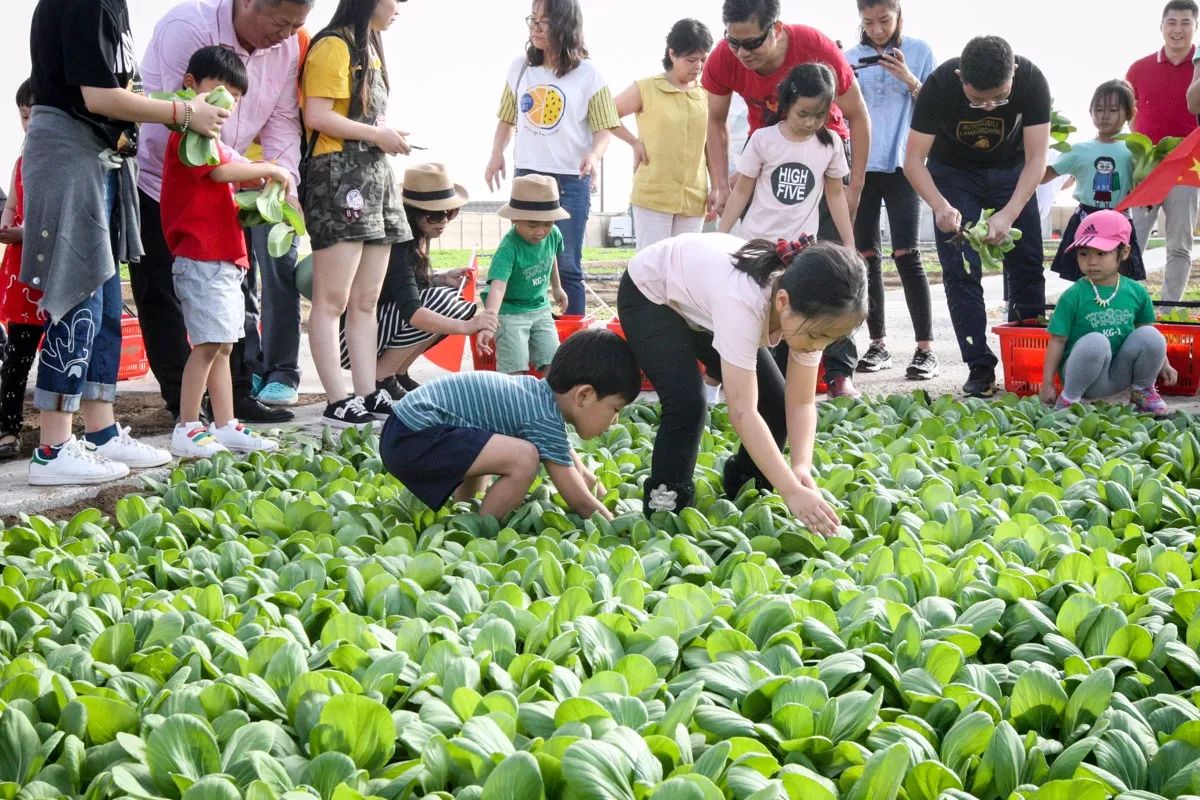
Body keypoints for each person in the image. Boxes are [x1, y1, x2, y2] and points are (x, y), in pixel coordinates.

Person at [22, 0, 227, 485]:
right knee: (79, 295)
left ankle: (100, 431)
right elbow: (97, 95)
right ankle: (53, 447)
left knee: (108, 303)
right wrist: (182, 112)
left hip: (103, 158)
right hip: (72, 151)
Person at [136, 0, 314, 425]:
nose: (288, 33)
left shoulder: (288, 47)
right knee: (165, 295)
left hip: (224, 197)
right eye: (282, 21)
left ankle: (232, 403)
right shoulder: (188, 27)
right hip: (163, 188)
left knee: (228, 307)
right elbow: (180, 120)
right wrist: (253, 170)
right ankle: (185, 409)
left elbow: (282, 120)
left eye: (298, 25)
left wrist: (282, 180)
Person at [617, 233, 866, 530]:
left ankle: (746, 490)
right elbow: (741, 411)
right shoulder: (742, 301)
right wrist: (790, 491)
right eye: (816, 337)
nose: (818, 346)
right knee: (687, 402)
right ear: (783, 301)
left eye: (829, 339)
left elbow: (800, 401)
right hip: (650, 294)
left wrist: (799, 467)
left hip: (703, 302)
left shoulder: (813, 319)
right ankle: (666, 504)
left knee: (774, 401)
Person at [701, 0, 872, 398]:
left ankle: (839, 371)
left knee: (834, 273)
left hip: (823, 159)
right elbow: (715, 120)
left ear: (775, 28)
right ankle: (743, 373)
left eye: (752, 43)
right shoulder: (726, 60)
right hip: (772, 153)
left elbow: (858, 114)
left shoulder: (815, 46)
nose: (741, 53)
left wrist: (855, 186)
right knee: (760, 284)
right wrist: (721, 186)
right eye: (733, 42)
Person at [904, 35, 1051, 398]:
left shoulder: (1032, 81)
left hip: (1012, 171)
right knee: (960, 267)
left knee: (1028, 262)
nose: (988, 108)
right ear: (960, 77)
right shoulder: (938, 86)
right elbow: (912, 161)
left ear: (1013, 73)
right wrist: (939, 205)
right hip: (954, 173)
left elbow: (1036, 160)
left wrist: (1010, 213)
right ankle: (979, 366)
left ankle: (1027, 362)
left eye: (999, 98)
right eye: (977, 99)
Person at [161, 47, 285, 458]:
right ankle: (188, 425)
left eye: (235, 96)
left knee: (226, 345)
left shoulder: (213, 140)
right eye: (219, 90)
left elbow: (229, 174)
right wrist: (268, 169)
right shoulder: (188, 134)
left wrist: (259, 184)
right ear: (191, 86)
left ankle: (226, 423)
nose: (227, 103)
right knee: (208, 344)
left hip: (225, 257)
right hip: (200, 255)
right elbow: (219, 172)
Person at [380, 328, 641, 521]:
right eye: (614, 409)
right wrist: (614, 524)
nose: (614, 421)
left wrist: (615, 502)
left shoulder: (540, 400)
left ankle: (467, 514)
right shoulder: (542, 416)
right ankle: (483, 530)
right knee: (523, 457)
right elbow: (579, 499)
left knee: (484, 438)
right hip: (413, 435)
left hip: (403, 430)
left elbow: (581, 473)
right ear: (583, 395)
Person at [303, 0, 412, 429]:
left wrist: (384, 137)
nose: (401, 6)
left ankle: (367, 392)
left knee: (366, 299)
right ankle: (337, 397)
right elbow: (317, 115)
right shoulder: (333, 45)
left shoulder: (371, 47)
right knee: (332, 300)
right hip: (338, 176)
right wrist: (377, 135)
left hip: (373, 175)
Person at [484, 0, 620, 315]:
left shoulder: (589, 74)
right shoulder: (519, 68)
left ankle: (574, 348)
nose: (536, 26)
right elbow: (506, 119)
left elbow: (605, 129)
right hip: (528, 177)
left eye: (544, 20)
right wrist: (496, 154)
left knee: (567, 263)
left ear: (565, 25)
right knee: (520, 258)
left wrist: (594, 154)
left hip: (571, 180)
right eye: (533, 18)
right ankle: (521, 335)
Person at [333, 163, 498, 400]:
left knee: (448, 299)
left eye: (449, 213)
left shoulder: (417, 236)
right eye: (434, 215)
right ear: (412, 213)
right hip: (352, 340)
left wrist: (439, 278)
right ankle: (382, 377)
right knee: (443, 302)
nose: (443, 222)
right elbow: (412, 312)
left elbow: (400, 287)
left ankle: (397, 373)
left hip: (370, 329)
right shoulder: (399, 243)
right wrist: (467, 327)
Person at [844, 0, 938, 379]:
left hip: (904, 164)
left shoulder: (919, 51)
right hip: (862, 167)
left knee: (907, 253)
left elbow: (937, 108)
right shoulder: (849, 57)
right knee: (866, 257)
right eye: (868, 22)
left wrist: (910, 79)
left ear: (898, 15)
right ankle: (877, 343)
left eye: (884, 20)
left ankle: (924, 349)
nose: (877, 29)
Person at [1040, 210, 1175, 417]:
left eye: (1101, 253)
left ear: (1125, 252)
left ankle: (1142, 391)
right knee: (1096, 341)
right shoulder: (1073, 295)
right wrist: (1047, 383)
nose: (1091, 261)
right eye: (1084, 253)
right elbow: (1057, 341)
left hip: (1121, 375)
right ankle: (1069, 400)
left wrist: (1164, 364)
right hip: (1083, 378)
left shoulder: (1136, 291)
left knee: (1151, 335)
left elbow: (1145, 330)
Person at [717, 63, 854, 248]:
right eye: (803, 114)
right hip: (757, 242)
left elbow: (836, 195)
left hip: (800, 247)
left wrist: (849, 242)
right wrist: (719, 236)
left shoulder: (831, 143)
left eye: (819, 115)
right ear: (787, 105)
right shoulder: (763, 139)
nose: (810, 122)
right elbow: (741, 191)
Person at [612, 18, 715, 251]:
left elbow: (712, 145)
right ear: (672, 53)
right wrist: (634, 143)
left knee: (684, 267)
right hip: (653, 195)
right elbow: (604, 113)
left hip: (693, 198)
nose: (698, 66)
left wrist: (716, 187)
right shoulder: (646, 88)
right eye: (691, 60)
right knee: (652, 266)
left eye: (703, 59)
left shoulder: (707, 94)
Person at [1044, 80, 1146, 282]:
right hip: (1085, 219)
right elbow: (1043, 176)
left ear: (1130, 113)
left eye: (1113, 110)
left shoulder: (1134, 149)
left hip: (1119, 219)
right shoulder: (1079, 150)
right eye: (1098, 109)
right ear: (1090, 111)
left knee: (1120, 279)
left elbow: (1145, 183)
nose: (1104, 116)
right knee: (1082, 278)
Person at [1136, 0, 1200, 302]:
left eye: (1185, 23)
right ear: (1161, 26)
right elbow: (1129, 115)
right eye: (1171, 23)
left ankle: (1167, 309)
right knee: (1132, 240)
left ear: (1195, 27)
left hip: (1187, 168)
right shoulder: (1139, 68)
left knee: (1179, 245)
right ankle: (1129, 304)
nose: (1178, 30)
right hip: (1147, 168)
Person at [477, 175, 569, 375]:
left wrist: (556, 287)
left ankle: (548, 404)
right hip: (510, 312)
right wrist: (490, 320)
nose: (541, 231)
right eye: (532, 225)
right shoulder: (509, 248)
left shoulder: (553, 234)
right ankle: (514, 403)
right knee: (515, 369)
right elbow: (498, 286)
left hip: (540, 308)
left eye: (547, 224)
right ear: (514, 218)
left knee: (554, 363)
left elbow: (551, 255)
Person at [0, 80, 44, 460]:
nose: (29, 124)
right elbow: (13, 205)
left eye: (36, 115)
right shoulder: (21, 162)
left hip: (51, 272)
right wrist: (7, 225)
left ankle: (55, 428)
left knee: (60, 352)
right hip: (22, 272)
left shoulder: (58, 161)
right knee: (17, 354)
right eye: (24, 116)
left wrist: (26, 230)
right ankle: (8, 427)